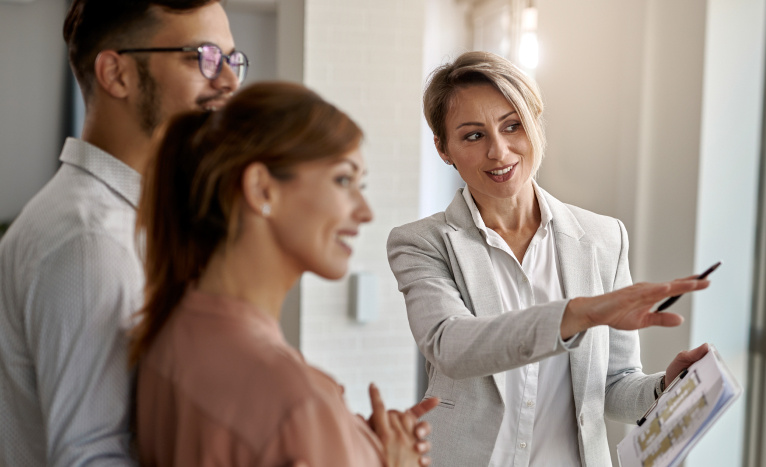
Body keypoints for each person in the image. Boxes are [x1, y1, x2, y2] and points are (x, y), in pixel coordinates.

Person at [386, 50, 712, 466]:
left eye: (513, 126)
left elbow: (612, 386)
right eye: (473, 135)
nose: (499, 152)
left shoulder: (603, 238)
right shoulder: (422, 243)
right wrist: (580, 314)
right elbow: (453, 347)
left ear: (535, 125)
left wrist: (665, 386)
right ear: (443, 148)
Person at [131, 81, 438, 466]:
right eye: (343, 180)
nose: (366, 212)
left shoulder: (168, 335)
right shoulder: (297, 403)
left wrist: (352, 438)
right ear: (262, 189)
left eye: (361, 185)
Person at [0, 0, 244, 465]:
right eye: (205, 57)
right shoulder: (91, 240)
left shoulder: (137, 222)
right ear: (117, 74)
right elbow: (90, 456)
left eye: (232, 60)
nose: (229, 81)